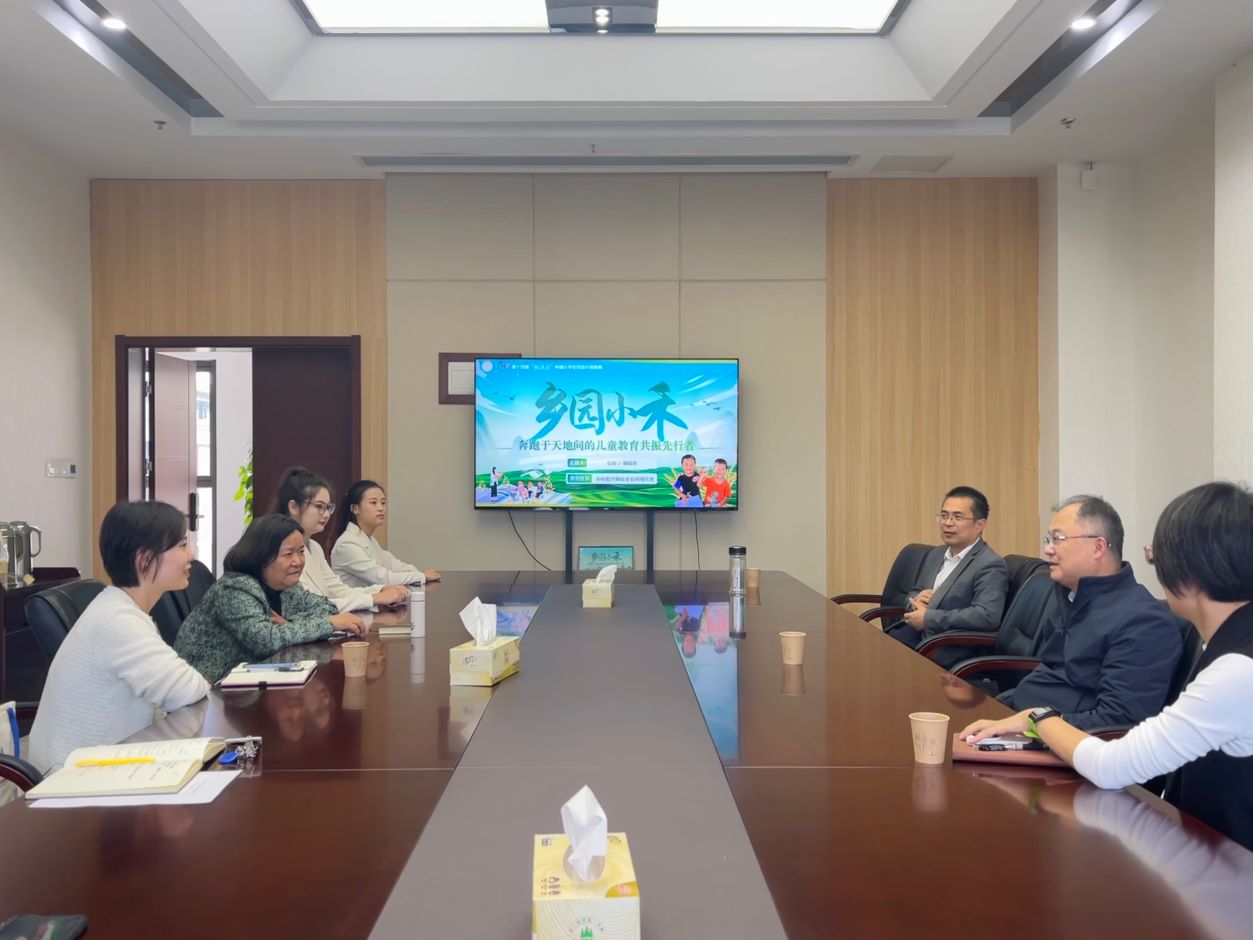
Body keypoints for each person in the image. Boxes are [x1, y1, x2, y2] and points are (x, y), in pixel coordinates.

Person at [962, 483, 1253, 850]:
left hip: (1223, 864)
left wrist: (1038, 719)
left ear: (1186, 571)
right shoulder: (1228, 646)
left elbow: (1112, 765)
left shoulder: (1236, 672)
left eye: (1155, 557)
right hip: (1194, 841)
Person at [27, 501, 211, 772]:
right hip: (76, 779)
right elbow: (187, 689)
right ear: (144, 559)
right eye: (182, 546)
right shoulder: (117, 621)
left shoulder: (121, 609)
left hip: (109, 763)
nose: (191, 555)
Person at [983, 494, 1182, 731]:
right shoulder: (1072, 597)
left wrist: (1033, 724)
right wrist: (998, 709)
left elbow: (1117, 722)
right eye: (1049, 539)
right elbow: (1048, 676)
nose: (1048, 549)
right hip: (1024, 720)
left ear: (1098, 547)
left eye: (1058, 539)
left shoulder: (1144, 622)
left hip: (1057, 743)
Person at [175, 514, 366, 684]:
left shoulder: (285, 586)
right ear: (261, 557)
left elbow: (327, 608)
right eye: (288, 554)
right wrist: (328, 624)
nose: (298, 561)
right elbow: (266, 641)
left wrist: (289, 624)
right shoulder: (234, 589)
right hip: (209, 692)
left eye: (301, 552)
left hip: (252, 681)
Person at [885, 486, 1009, 666]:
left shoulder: (990, 564)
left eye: (957, 517)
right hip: (914, 636)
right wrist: (916, 600)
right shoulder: (936, 554)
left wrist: (929, 618)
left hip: (946, 648)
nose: (948, 523)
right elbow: (914, 591)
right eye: (944, 516)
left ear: (980, 525)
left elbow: (986, 615)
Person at [274, 467, 407, 613]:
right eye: (319, 506)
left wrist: (379, 590)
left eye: (328, 507)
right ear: (294, 507)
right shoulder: (280, 548)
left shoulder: (314, 547)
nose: (326, 514)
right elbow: (313, 605)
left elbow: (339, 590)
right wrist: (374, 598)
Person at [331, 479, 440, 589]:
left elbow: (395, 566)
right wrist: (422, 576)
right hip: (357, 600)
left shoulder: (370, 540)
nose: (380, 508)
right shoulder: (347, 544)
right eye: (373, 503)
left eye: (383, 503)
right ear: (355, 509)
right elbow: (383, 579)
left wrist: (419, 574)